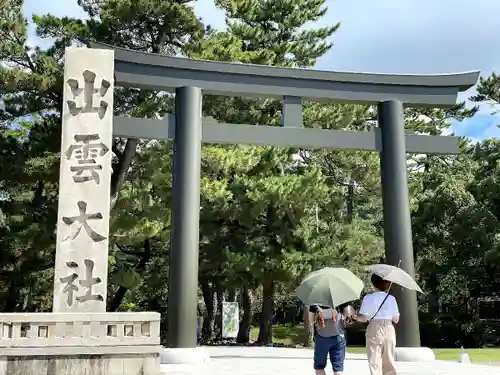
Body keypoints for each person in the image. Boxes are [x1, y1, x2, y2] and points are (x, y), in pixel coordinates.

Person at [353, 274, 399, 375]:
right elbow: (396, 319)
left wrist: (356, 317)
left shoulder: (368, 298)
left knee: (374, 360)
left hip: (374, 327)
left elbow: (364, 318)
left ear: (373, 284)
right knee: (389, 361)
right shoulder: (391, 298)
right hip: (388, 328)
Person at [309, 303, 350, 375]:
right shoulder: (340, 301)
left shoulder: (315, 303)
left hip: (321, 337)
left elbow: (311, 321)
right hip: (338, 337)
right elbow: (348, 312)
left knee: (319, 367)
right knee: (338, 368)